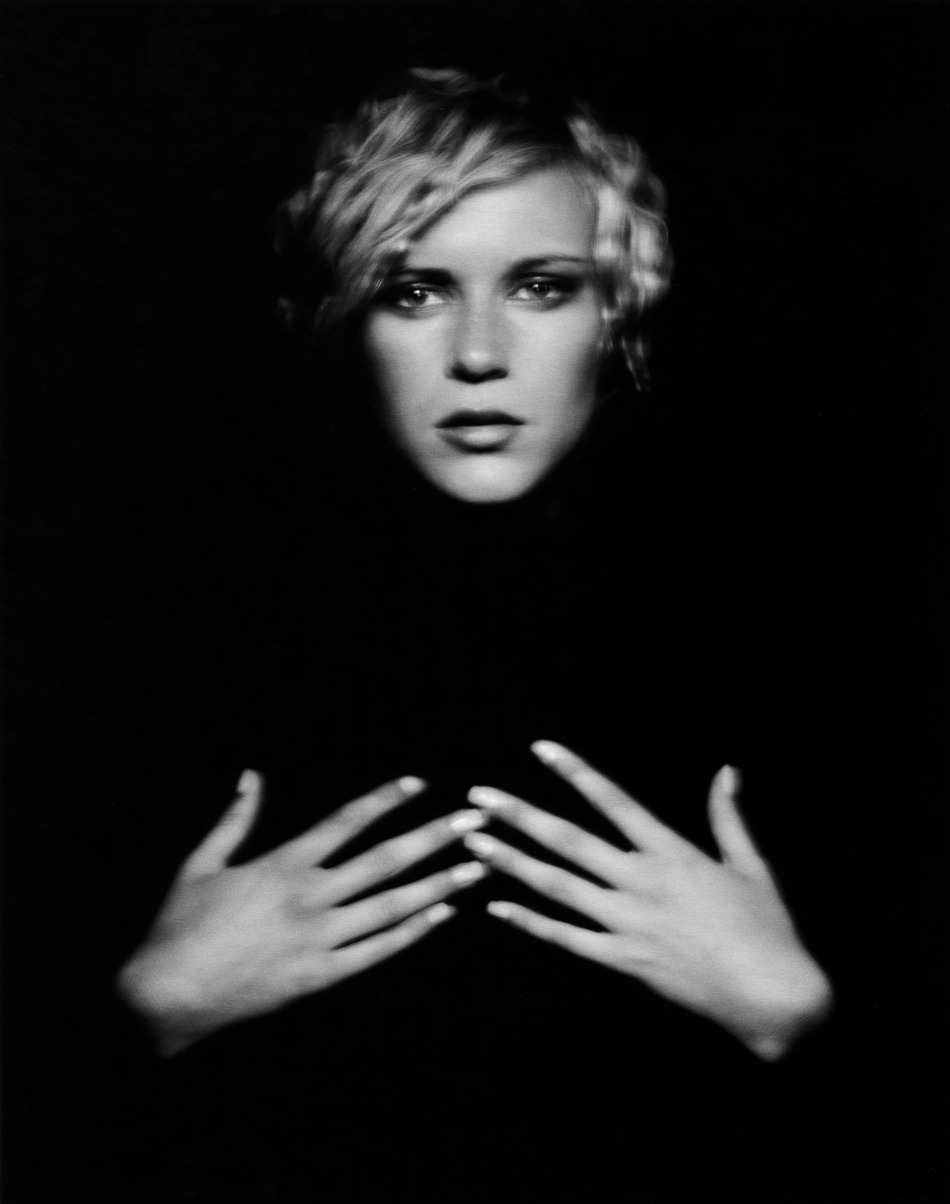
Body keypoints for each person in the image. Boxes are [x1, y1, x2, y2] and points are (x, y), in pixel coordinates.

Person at [95, 68, 872, 1202]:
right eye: (413, 291)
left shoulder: (793, 651)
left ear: (618, 312)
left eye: (541, 287)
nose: (477, 352)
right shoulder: (163, 652)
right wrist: (150, 1011)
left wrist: (790, 1013)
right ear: (342, 314)